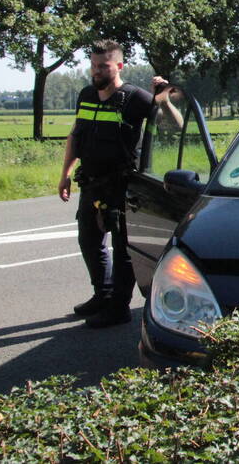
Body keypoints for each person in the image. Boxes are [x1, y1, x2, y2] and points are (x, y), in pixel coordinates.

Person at [58, 40, 164, 328]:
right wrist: (65, 173)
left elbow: (173, 125)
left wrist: (164, 98)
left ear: (118, 66)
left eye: (103, 66)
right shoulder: (86, 94)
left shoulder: (135, 98)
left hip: (122, 186)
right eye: (93, 65)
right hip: (90, 183)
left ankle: (118, 307)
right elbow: (75, 136)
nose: (96, 71)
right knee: (89, 241)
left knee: (122, 247)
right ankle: (102, 295)